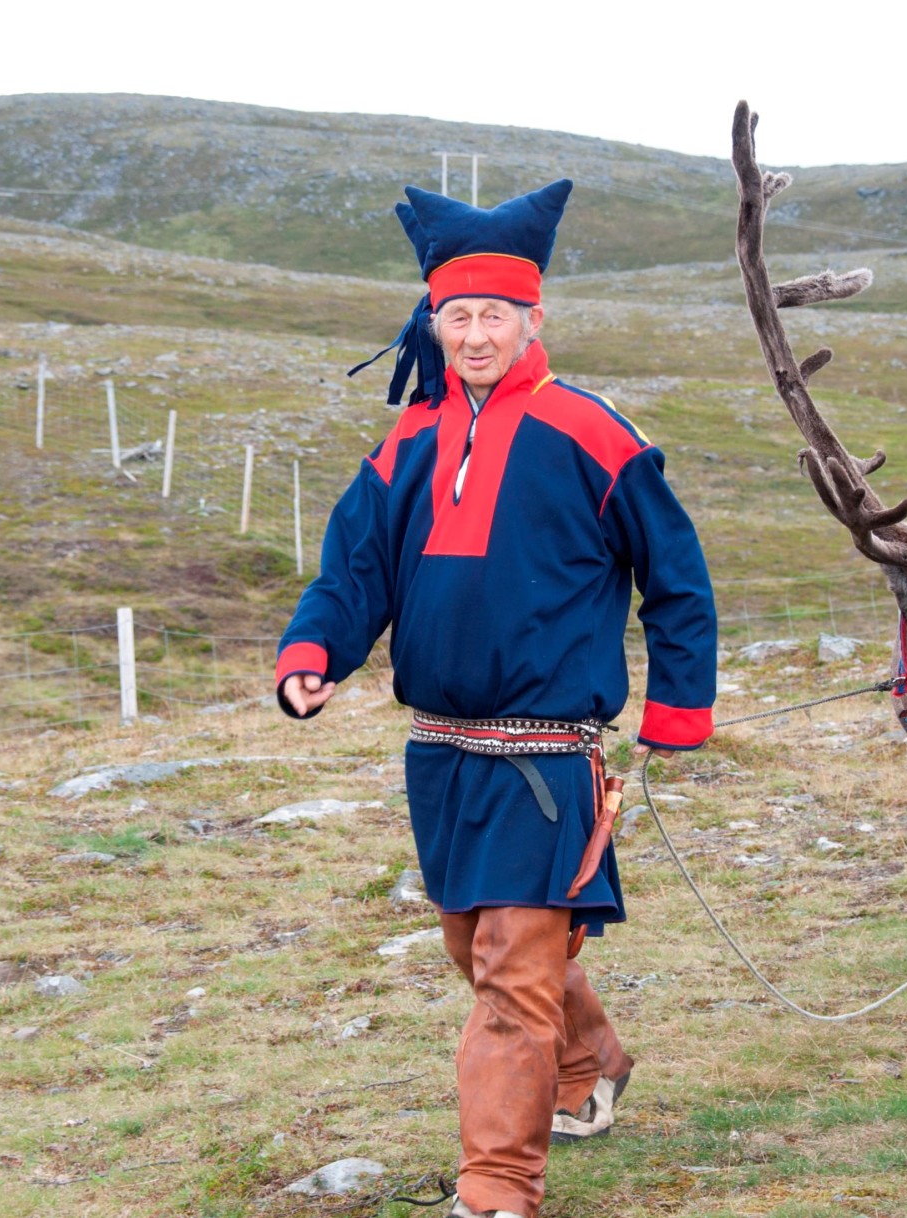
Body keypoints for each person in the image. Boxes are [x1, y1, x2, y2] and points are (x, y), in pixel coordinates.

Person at [275, 178, 716, 1218]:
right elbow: (355, 572)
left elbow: (678, 575)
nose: (475, 335)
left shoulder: (594, 433)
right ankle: (591, 1061)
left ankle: (496, 1189)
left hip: (549, 758)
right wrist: (315, 653)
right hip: (438, 751)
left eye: (495, 316)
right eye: (457, 316)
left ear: (533, 319)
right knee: (486, 953)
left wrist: (677, 708)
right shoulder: (407, 446)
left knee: (514, 979)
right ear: (434, 323)